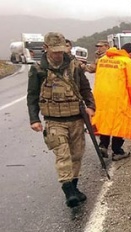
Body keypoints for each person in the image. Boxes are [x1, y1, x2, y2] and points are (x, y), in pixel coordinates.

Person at [27, 32, 95, 208]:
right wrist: (34, 119)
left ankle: (74, 187)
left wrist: (91, 106)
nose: (58, 54)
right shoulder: (38, 69)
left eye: (61, 50)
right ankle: (68, 191)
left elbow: (86, 88)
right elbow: (32, 96)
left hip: (76, 118)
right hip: (54, 121)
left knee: (77, 155)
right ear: (46, 48)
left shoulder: (74, 66)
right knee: (62, 155)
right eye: (54, 51)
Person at [91, 43, 131, 161]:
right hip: (119, 97)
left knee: (105, 121)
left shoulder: (103, 59)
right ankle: (117, 151)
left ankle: (103, 145)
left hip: (101, 97)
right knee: (120, 123)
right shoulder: (127, 62)